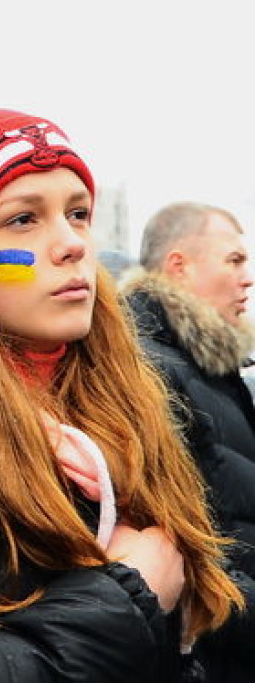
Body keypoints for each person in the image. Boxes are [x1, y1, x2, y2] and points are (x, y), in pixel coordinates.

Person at [0, 108, 247, 680]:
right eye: (23, 219)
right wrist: (128, 594)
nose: (73, 244)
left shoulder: (129, 402)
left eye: (78, 213)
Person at [121, 203, 255, 679]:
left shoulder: (207, 365)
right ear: (179, 265)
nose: (248, 279)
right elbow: (183, 548)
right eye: (234, 261)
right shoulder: (152, 371)